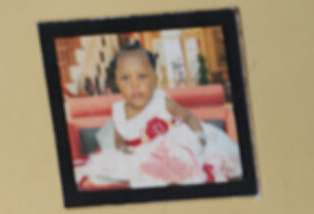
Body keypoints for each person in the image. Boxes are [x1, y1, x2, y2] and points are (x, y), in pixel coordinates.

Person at [78, 42, 243, 190]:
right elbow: (119, 142)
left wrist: (199, 135)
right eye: (126, 78)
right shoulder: (119, 112)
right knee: (136, 169)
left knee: (198, 159)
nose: (135, 85)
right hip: (147, 154)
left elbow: (188, 117)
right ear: (117, 84)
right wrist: (125, 151)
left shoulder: (160, 99)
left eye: (142, 76)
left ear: (155, 79)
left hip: (178, 141)